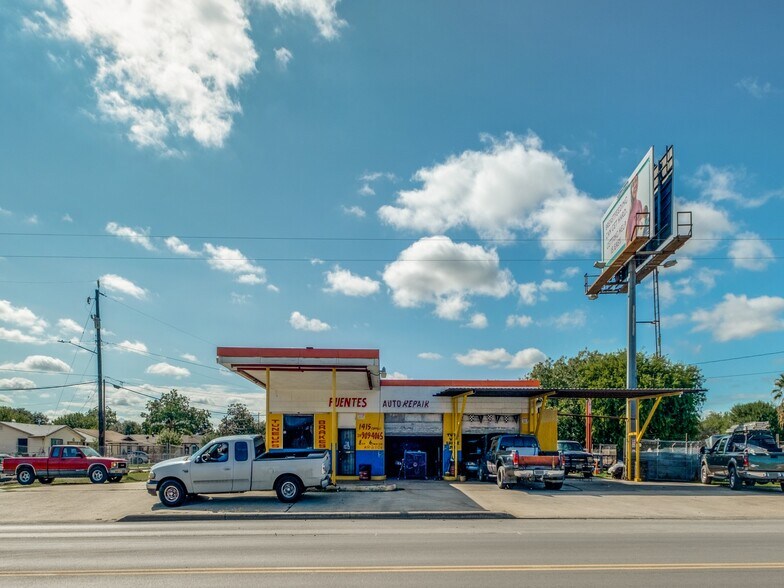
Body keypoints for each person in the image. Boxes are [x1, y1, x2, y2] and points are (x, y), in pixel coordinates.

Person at [625, 174, 648, 244]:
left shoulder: (638, 203)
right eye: (633, 184)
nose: (635, 186)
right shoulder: (627, 207)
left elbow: (641, 222)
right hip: (628, 243)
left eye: (636, 183)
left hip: (635, 241)